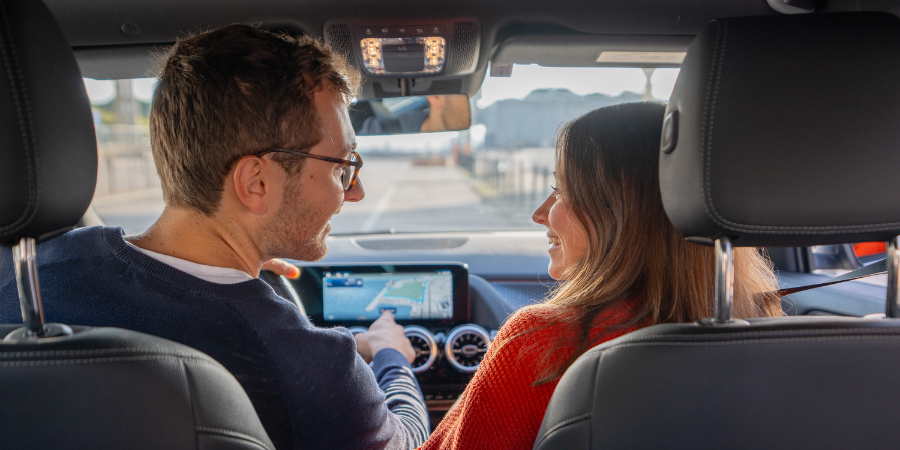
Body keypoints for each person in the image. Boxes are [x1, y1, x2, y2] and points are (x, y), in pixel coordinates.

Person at [0, 25, 429, 450]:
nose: (355, 191)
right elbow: (410, 442)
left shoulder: (22, 282)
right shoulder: (309, 369)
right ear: (256, 183)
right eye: (341, 167)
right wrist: (392, 356)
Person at [420, 102, 783, 450]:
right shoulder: (775, 335)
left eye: (561, 190)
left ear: (619, 213)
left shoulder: (543, 342)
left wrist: (396, 372)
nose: (539, 213)